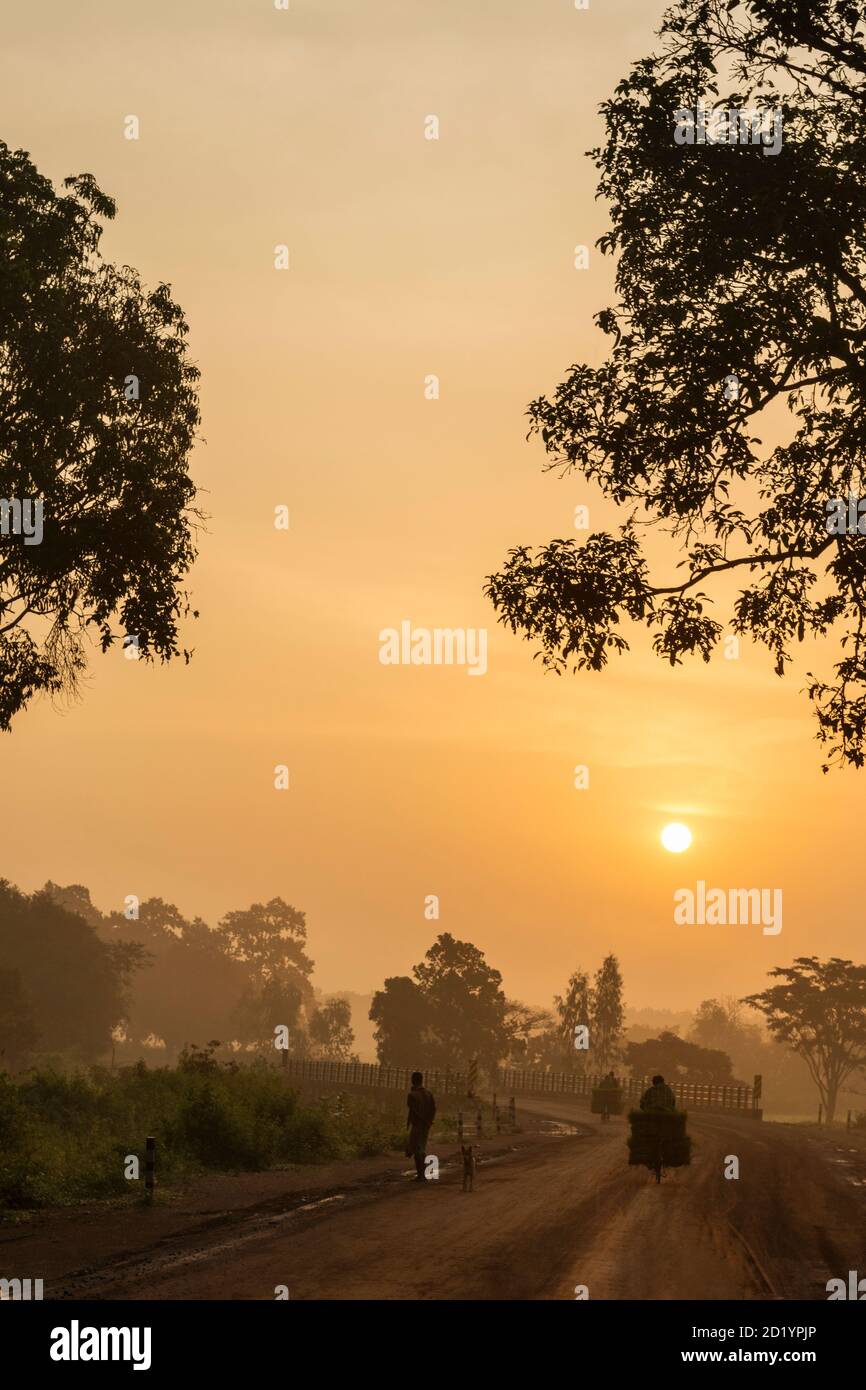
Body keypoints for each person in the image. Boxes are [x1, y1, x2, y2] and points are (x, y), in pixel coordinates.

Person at [405, 1071, 436, 1182]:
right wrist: (429, 1121)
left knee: (417, 1150)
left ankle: (421, 1176)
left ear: (413, 1080)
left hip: (417, 1124)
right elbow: (433, 1109)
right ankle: (423, 1175)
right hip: (426, 1125)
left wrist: (410, 1124)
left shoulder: (412, 1095)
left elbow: (413, 1111)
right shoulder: (428, 1093)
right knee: (421, 1148)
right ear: (422, 1080)